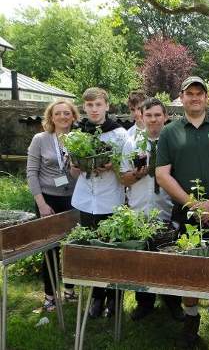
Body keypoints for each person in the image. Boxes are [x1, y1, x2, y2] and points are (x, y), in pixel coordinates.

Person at [155, 76, 209, 349]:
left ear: (206, 98)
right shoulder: (169, 132)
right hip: (184, 213)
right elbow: (161, 174)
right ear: (181, 97)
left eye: (199, 93)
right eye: (189, 93)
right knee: (188, 267)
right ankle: (191, 319)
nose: (194, 97)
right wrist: (193, 205)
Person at [120, 98, 179, 321]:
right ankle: (144, 303)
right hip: (140, 210)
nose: (153, 119)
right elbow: (122, 179)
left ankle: (173, 302)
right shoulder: (131, 142)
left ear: (165, 117)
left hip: (167, 208)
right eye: (148, 115)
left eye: (157, 115)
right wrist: (139, 173)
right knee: (142, 259)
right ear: (141, 117)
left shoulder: (174, 142)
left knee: (169, 259)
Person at [71, 87, 128, 318]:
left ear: (107, 106)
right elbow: (74, 172)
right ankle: (96, 297)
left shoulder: (119, 134)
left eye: (98, 105)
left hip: (110, 200)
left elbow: (125, 170)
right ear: (84, 107)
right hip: (86, 199)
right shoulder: (77, 133)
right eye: (90, 105)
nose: (94, 109)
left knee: (112, 250)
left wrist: (111, 166)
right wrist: (76, 167)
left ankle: (114, 298)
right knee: (92, 250)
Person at [26, 98, 80, 312]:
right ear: (51, 117)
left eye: (67, 113)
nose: (62, 117)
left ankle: (70, 289)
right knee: (50, 249)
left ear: (73, 116)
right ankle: (49, 296)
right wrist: (41, 204)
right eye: (58, 113)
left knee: (72, 246)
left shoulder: (78, 139)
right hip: (48, 199)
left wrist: (77, 167)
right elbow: (31, 173)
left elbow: (76, 174)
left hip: (73, 199)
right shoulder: (40, 139)